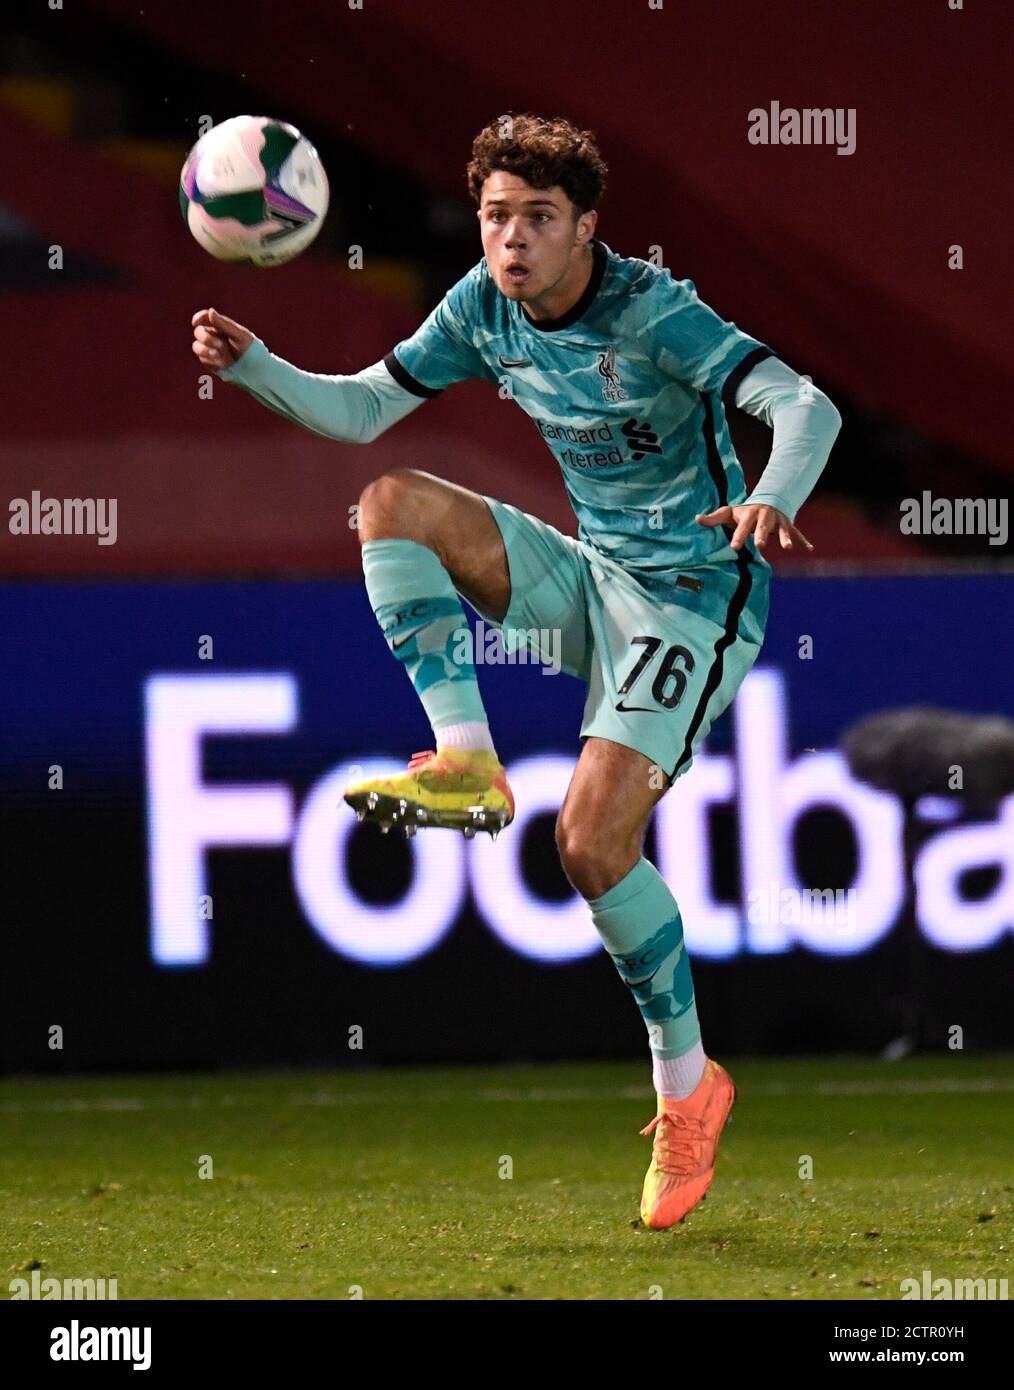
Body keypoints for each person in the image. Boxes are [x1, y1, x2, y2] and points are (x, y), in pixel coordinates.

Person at [191, 112, 841, 1229]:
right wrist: (257, 368)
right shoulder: (483, 307)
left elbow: (802, 402)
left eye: (538, 218)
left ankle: (688, 1089)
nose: (512, 239)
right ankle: (466, 761)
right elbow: (361, 411)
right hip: (593, 581)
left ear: (586, 228)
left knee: (590, 843)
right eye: (497, 216)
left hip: (695, 597)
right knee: (391, 501)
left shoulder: (653, 312)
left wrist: (775, 489)